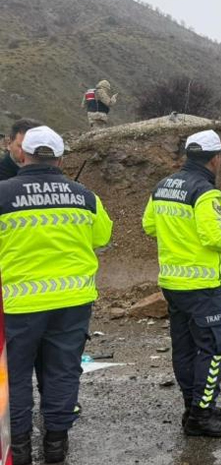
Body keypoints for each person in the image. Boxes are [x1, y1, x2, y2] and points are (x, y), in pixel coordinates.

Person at [0, 126, 113, 464]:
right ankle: (55, 446)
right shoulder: (85, 196)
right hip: (73, 304)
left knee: (16, 377)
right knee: (63, 373)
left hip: (19, 304)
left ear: (23, 154)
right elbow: (102, 237)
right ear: (62, 158)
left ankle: (19, 448)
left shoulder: (2, 194)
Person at [142, 129, 221, 437]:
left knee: (184, 349)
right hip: (203, 286)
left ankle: (194, 405)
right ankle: (201, 415)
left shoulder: (162, 186)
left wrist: (177, 237)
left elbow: (148, 225)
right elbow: (215, 236)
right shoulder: (205, 192)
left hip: (172, 284)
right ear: (215, 159)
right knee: (215, 348)